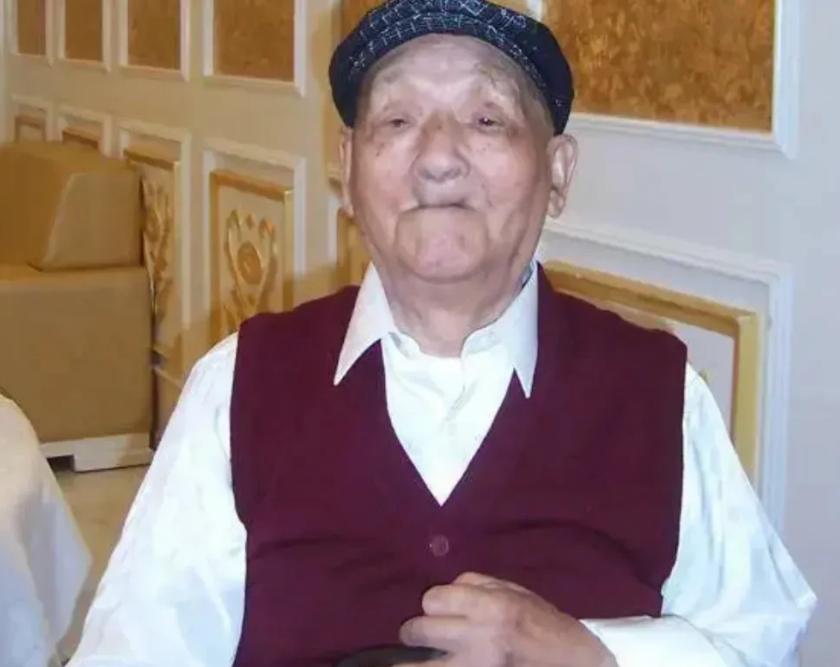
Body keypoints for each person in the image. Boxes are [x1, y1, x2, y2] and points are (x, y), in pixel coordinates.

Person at [68, 1, 815, 666]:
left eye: (487, 120)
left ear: (558, 172)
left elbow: (761, 639)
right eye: (397, 121)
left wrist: (593, 654)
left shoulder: (654, 393)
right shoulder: (241, 385)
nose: (437, 158)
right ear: (348, 167)